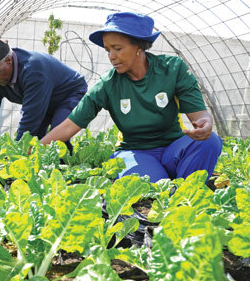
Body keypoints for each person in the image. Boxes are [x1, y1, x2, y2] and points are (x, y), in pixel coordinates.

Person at [40, 12, 222, 182]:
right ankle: (174, 188)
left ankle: (185, 194)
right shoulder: (108, 84)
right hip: (135, 152)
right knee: (153, 185)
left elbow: (198, 114)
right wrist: (35, 149)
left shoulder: (172, 69)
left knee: (209, 142)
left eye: (117, 48)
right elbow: (68, 126)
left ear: (139, 46)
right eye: (108, 50)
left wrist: (205, 122)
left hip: (172, 149)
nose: (111, 56)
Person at [0, 38, 88, 150]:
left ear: (8, 61)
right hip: (43, 98)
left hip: (69, 93)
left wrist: (17, 151)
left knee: (57, 136)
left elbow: (31, 117)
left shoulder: (33, 70)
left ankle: (65, 166)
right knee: (36, 138)